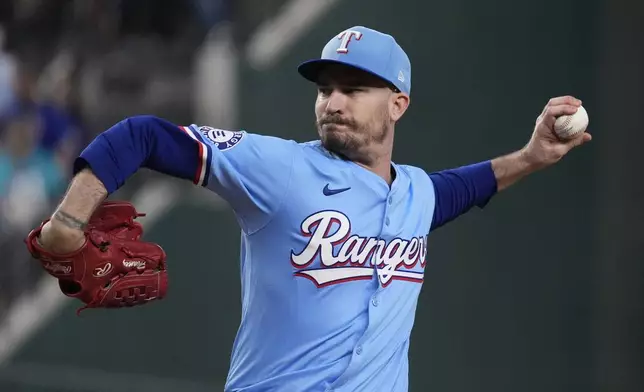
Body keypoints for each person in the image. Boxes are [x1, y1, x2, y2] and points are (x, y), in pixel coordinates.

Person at [30, 26, 591, 391]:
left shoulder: (416, 194)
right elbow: (142, 135)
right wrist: (68, 223)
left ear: (397, 104)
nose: (333, 102)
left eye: (353, 88)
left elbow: (463, 189)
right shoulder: (278, 168)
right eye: (326, 89)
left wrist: (532, 156)